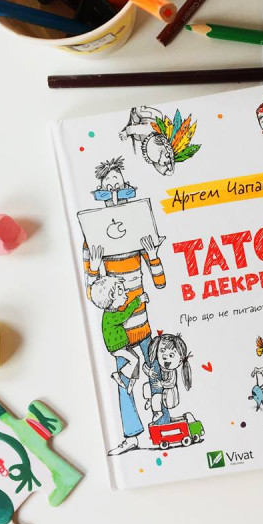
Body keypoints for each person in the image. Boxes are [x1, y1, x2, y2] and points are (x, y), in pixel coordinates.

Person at [82, 156, 169, 456]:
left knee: (155, 372)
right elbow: (91, 292)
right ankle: (131, 436)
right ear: (100, 193)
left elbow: (160, 282)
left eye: (119, 187)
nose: (114, 194)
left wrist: (153, 256)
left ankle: (162, 424)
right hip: (119, 330)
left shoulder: (138, 229)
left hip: (142, 324)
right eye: (108, 189)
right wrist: (95, 267)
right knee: (125, 382)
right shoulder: (92, 238)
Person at [88, 274, 149, 395]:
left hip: (121, 345)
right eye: (121, 291)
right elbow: (125, 315)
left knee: (136, 360)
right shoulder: (110, 316)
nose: (126, 294)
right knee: (134, 360)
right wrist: (138, 300)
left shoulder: (111, 313)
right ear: (112, 296)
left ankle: (131, 383)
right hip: (117, 347)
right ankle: (119, 375)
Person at [142, 333, 192, 421]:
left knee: (156, 397)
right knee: (146, 386)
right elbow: (144, 366)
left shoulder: (171, 371)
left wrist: (161, 384)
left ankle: (158, 412)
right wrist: (149, 372)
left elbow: (171, 383)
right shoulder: (157, 365)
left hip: (169, 396)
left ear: (180, 361)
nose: (165, 357)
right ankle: (149, 400)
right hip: (163, 390)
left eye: (171, 355)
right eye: (162, 351)